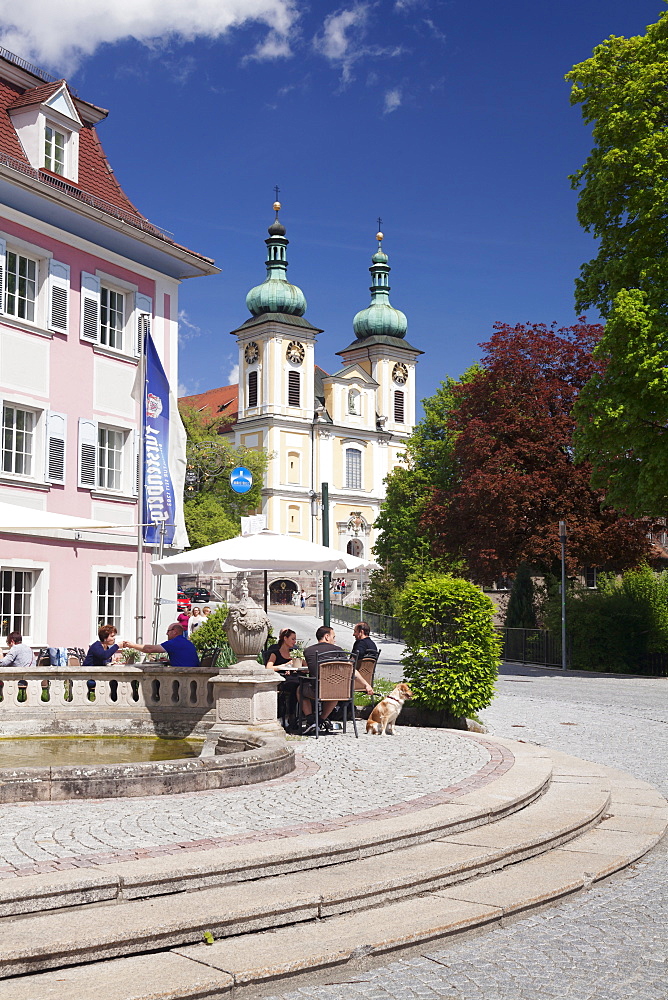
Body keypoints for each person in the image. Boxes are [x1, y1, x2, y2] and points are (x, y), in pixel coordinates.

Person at [302, 626, 373, 734]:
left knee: (300, 689)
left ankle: (311, 719)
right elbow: (350, 670)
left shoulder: (308, 651)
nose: (334, 640)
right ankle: (321, 720)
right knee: (335, 689)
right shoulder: (337, 650)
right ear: (327, 636)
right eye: (333, 637)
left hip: (317, 690)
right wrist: (366, 685)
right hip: (336, 691)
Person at [123, 623, 200, 667]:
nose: (166, 633)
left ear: (175, 632)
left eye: (168, 631)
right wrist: (170, 662)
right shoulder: (186, 642)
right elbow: (185, 660)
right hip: (191, 674)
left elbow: (149, 649)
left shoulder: (174, 642)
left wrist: (132, 645)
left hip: (184, 676)